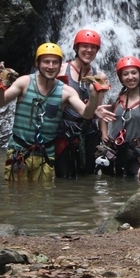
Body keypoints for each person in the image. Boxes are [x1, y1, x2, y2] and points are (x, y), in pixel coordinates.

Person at [0, 42, 114, 182]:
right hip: (19, 151)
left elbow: (86, 114)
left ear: (60, 65)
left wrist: (94, 95)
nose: (50, 66)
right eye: (46, 62)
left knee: (42, 197)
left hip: (46, 154)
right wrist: (1, 85)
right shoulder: (24, 82)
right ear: (37, 63)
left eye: (55, 62)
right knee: (14, 196)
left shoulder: (66, 91)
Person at [54, 29, 107, 178]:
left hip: (89, 132)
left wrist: (104, 134)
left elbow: (99, 108)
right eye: (84, 46)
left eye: (93, 47)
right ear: (76, 48)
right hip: (64, 131)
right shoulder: (62, 70)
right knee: (63, 177)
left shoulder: (100, 76)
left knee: (88, 177)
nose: (89, 50)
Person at [99, 56, 140, 178]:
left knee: (139, 181)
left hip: (134, 152)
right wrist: (104, 134)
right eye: (125, 74)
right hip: (113, 151)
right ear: (121, 78)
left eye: (134, 73)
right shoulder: (115, 99)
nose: (130, 77)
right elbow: (102, 114)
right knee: (111, 185)